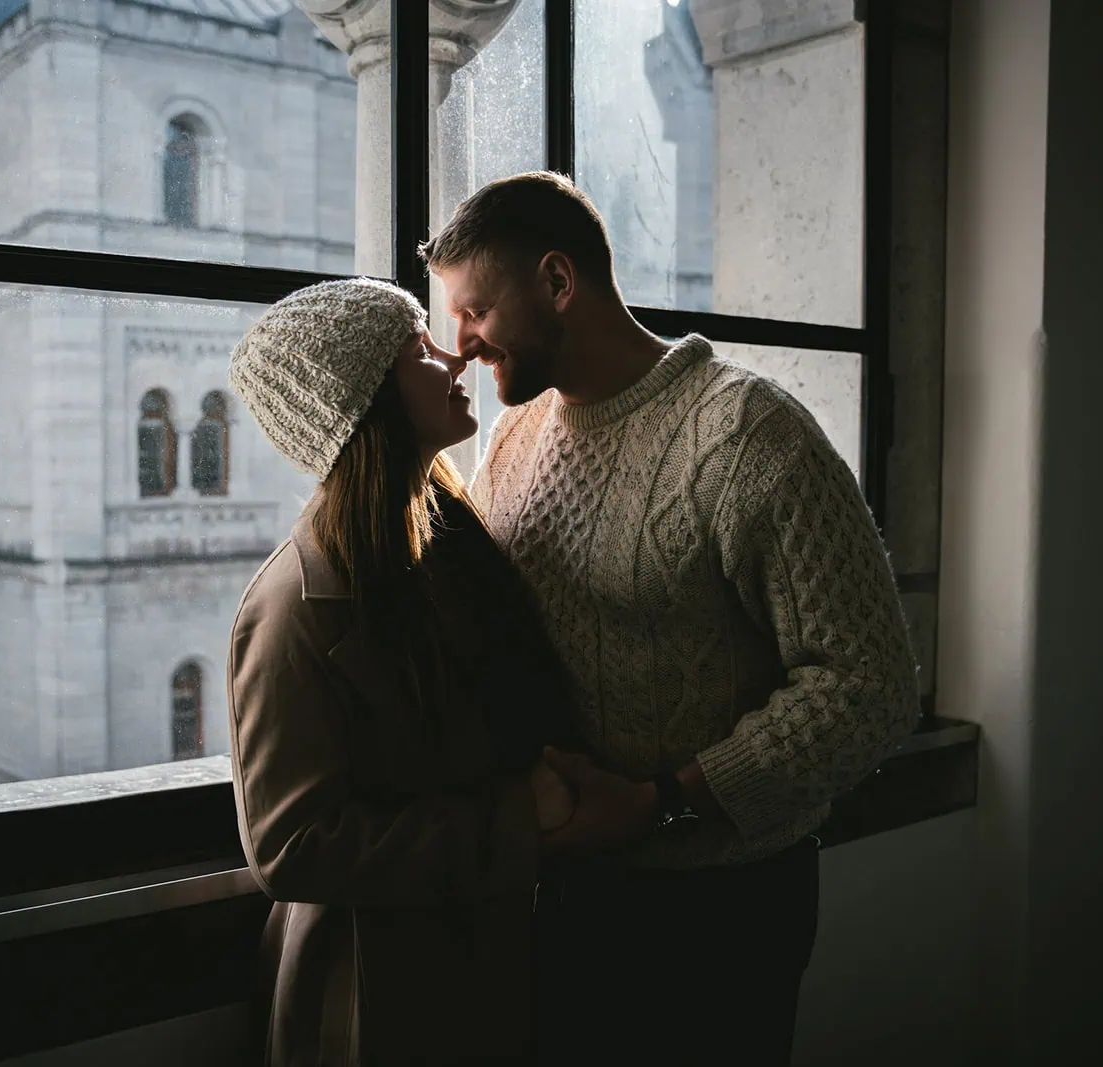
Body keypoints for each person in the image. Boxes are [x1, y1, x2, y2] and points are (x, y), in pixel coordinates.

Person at [421, 171, 923, 1066]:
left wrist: (661, 802)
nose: (457, 346)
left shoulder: (747, 434)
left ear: (558, 283)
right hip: (564, 892)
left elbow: (872, 686)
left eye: (474, 311)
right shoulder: (516, 441)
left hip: (723, 903)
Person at [225, 277, 584, 1067]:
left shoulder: (452, 542)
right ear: (368, 403)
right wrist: (520, 817)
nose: (454, 355)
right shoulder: (299, 605)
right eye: (417, 348)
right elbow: (292, 844)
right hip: (377, 994)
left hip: (485, 958)